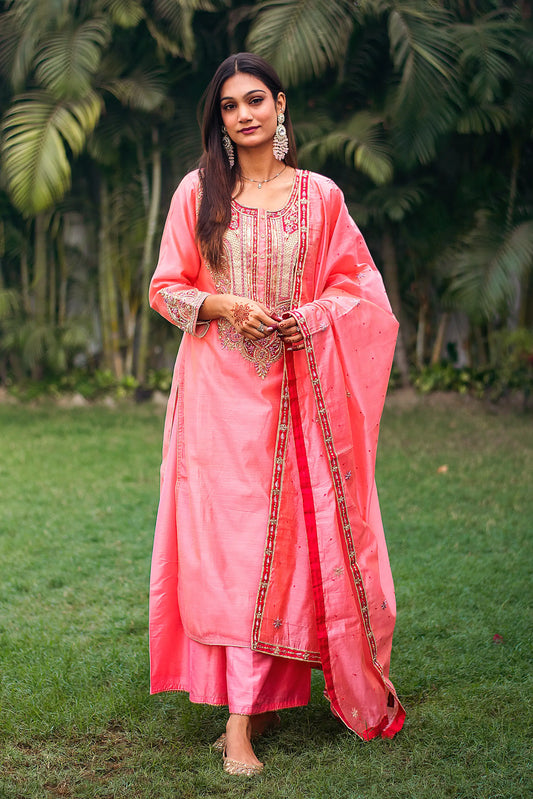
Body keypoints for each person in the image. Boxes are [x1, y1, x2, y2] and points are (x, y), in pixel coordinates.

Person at [149, 52, 405, 777]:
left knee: (284, 551)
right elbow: (165, 290)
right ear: (219, 120)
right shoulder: (198, 194)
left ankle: (257, 700)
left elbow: (360, 289)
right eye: (229, 106)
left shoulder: (320, 197)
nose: (244, 114)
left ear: (281, 105)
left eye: (255, 99)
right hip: (216, 401)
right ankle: (237, 725)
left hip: (296, 396)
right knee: (230, 559)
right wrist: (223, 303)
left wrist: (312, 317)